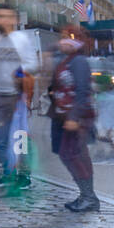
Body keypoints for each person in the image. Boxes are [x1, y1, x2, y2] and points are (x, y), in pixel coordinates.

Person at [0, 5, 39, 192]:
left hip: (17, 96)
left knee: (20, 138)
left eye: (6, 16)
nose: (2, 20)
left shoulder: (21, 39)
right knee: (0, 139)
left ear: (14, 19)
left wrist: (20, 73)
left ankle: (24, 175)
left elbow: (33, 64)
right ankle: (8, 174)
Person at [48, 25, 99, 210]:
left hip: (74, 117)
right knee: (68, 155)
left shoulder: (78, 62)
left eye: (65, 37)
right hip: (63, 115)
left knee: (76, 156)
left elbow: (83, 90)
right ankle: (86, 195)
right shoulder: (66, 61)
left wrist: (74, 116)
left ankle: (89, 197)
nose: (61, 41)